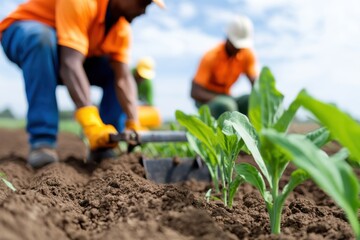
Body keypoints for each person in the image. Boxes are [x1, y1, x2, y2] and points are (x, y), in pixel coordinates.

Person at [0, 0, 165, 168]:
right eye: (142, 3)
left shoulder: (120, 29)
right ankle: (42, 141)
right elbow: (70, 63)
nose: (143, 11)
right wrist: (90, 121)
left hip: (64, 51)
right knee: (41, 39)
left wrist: (133, 121)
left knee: (112, 69)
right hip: (25, 32)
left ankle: (106, 142)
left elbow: (122, 78)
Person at [190, 15, 258, 119]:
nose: (239, 49)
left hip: (227, 97)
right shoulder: (210, 57)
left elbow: (255, 82)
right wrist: (222, 98)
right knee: (226, 106)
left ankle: (252, 134)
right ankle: (226, 133)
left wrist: (264, 98)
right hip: (206, 100)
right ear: (228, 38)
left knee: (250, 101)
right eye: (236, 45)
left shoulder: (246, 54)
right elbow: (195, 92)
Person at [132, 57, 162, 128]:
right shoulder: (128, 74)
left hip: (138, 108)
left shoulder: (148, 83)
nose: (141, 78)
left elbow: (149, 104)